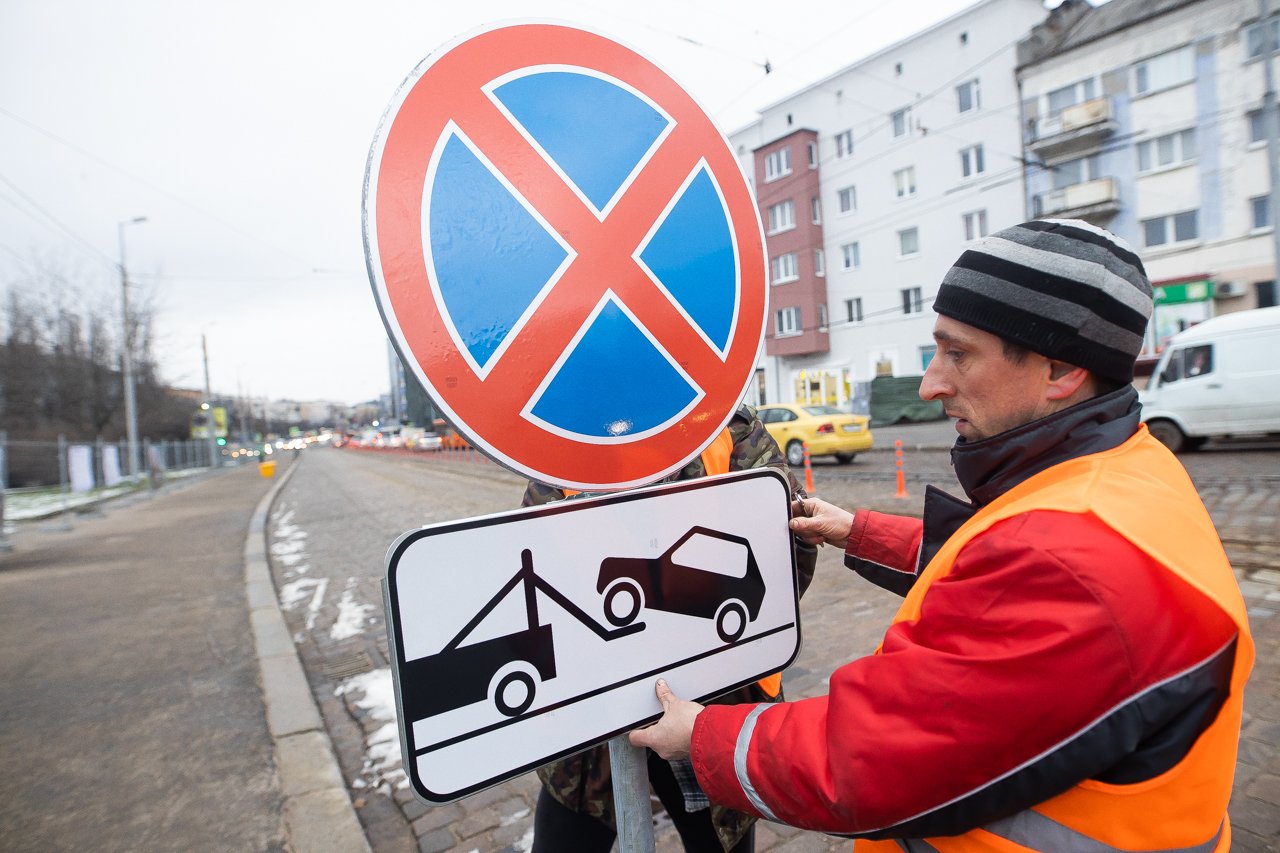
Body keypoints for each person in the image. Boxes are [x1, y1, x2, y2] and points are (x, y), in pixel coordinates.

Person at [631, 219, 1253, 852]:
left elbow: (865, 761)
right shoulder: (1127, 471)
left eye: (958, 353)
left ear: (1061, 370)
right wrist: (860, 531)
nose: (931, 384)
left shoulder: (1067, 562)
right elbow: (995, 573)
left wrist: (702, 736)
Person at [524, 403, 818, 853]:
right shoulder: (725, 424)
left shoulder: (569, 434)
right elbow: (789, 563)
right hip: (616, 716)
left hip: (698, 710)